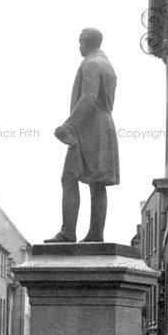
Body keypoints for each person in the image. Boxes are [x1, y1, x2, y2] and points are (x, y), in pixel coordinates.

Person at [45, 27, 119, 244]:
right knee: (98, 183)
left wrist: (68, 126)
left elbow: (88, 97)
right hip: (104, 125)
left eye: (80, 42)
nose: (79, 46)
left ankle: (68, 232)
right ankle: (96, 234)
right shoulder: (108, 65)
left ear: (86, 41)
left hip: (88, 127)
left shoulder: (91, 63)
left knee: (69, 177)